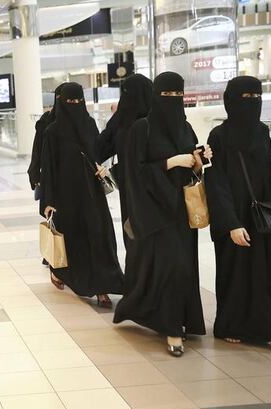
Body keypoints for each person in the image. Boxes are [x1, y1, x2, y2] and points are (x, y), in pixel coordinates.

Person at [205, 76, 271, 353]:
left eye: (257, 97)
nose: (253, 104)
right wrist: (230, 223)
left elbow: (265, 167)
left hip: (263, 216)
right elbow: (216, 183)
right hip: (236, 217)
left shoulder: (262, 131)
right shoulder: (219, 136)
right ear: (230, 100)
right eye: (246, 98)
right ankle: (231, 326)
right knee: (236, 275)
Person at [113, 72, 211, 356]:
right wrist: (168, 163)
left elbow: (193, 169)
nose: (173, 101)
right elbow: (133, 173)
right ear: (156, 96)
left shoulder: (186, 128)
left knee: (183, 267)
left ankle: (180, 320)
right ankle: (171, 329)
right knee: (170, 267)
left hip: (181, 210)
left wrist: (197, 160)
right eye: (166, 95)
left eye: (177, 95)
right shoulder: (140, 129)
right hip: (154, 211)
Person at [41, 82, 124, 308]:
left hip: (91, 191)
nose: (75, 105)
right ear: (61, 102)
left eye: (79, 101)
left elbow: (96, 150)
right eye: (70, 102)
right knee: (74, 239)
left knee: (100, 235)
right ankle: (65, 274)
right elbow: (48, 167)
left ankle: (103, 287)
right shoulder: (52, 131)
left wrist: (101, 166)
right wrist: (48, 201)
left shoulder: (89, 124)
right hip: (66, 196)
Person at [96, 73, 153, 246]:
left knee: (132, 230)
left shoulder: (121, 119)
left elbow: (100, 147)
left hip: (129, 184)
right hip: (155, 183)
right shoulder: (155, 118)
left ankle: (136, 267)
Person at [27, 83, 66, 193]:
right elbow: (37, 148)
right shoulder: (46, 121)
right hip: (51, 175)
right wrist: (34, 172)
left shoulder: (84, 122)